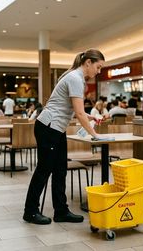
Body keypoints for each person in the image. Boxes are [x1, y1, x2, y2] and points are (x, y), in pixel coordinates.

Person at [23, 49, 105, 225]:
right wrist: (95, 135)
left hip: (55, 128)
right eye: (98, 67)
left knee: (60, 170)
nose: (98, 72)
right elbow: (79, 113)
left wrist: (89, 117)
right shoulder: (75, 78)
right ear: (88, 62)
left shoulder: (75, 77)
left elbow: (74, 110)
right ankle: (30, 211)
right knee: (44, 170)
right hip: (49, 127)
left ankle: (61, 211)